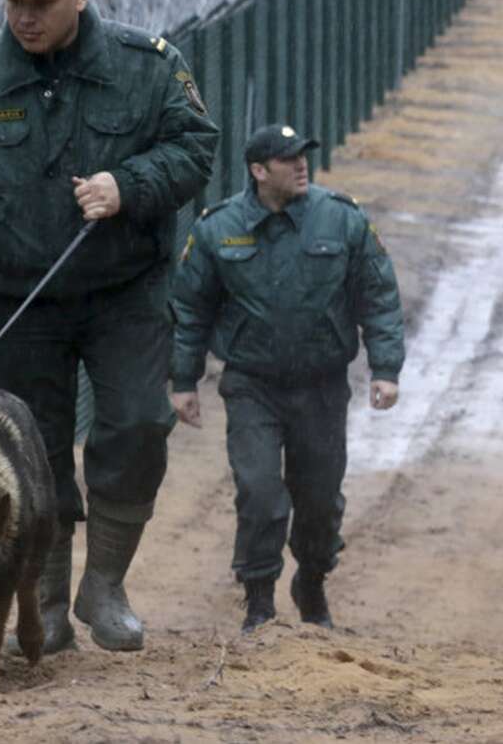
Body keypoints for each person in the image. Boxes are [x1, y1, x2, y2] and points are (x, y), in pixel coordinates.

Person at [0, 0, 219, 652]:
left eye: (41, 1)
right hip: (19, 299)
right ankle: (42, 599)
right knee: (28, 455)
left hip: (123, 291)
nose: (26, 16)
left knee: (138, 424)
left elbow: (196, 148)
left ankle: (104, 583)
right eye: (15, 1)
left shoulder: (147, 69)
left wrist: (126, 185)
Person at [168, 123, 405, 633]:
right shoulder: (217, 229)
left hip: (321, 385)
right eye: (287, 159)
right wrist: (183, 380)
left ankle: (312, 581)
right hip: (253, 385)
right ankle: (259, 602)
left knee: (319, 498)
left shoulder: (340, 219)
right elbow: (191, 310)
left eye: (303, 156)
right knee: (259, 492)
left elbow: (378, 295)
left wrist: (386, 368)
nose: (301, 166)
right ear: (258, 171)